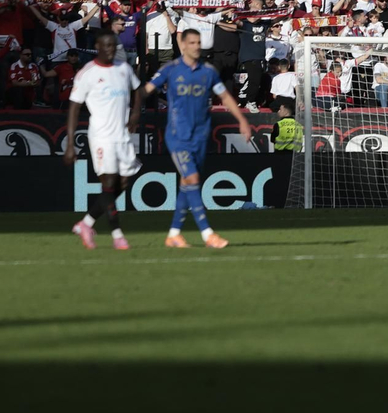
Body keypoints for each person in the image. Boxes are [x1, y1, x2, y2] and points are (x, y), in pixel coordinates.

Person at [141, 29, 254, 249]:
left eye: (199, 42)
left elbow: (224, 96)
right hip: (178, 136)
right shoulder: (171, 70)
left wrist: (241, 120)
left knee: (187, 183)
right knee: (192, 179)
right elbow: (146, 90)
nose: (196, 46)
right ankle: (207, 234)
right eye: (192, 42)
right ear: (182, 45)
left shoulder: (208, 72)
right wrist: (133, 107)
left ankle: (174, 234)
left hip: (201, 136)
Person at [66, 31, 143, 251]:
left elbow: (138, 89)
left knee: (123, 183)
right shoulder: (87, 73)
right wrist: (70, 144)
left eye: (113, 46)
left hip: (122, 136)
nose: (110, 50)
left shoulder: (124, 68)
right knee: (108, 184)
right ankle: (118, 236)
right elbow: (73, 108)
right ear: (97, 47)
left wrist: (136, 114)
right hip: (101, 136)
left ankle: (86, 223)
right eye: (106, 46)